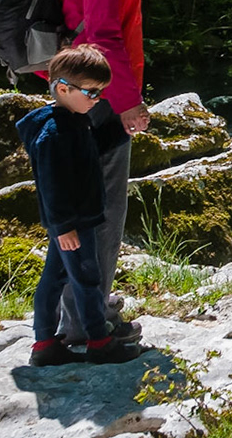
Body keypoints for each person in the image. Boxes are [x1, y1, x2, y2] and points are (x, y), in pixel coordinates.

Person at [45, 0, 151, 345]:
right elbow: (104, 33)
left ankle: (86, 306)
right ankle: (87, 325)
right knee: (102, 209)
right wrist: (128, 100)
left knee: (80, 202)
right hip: (99, 92)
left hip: (73, 85)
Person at [16, 45, 142, 366]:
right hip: (73, 223)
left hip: (75, 221)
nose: (97, 99)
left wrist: (122, 130)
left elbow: (93, 149)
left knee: (53, 280)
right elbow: (50, 186)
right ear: (62, 88)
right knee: (87, 279)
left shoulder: (74, 120)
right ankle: (99, 342)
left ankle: (44, 344)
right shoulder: (53, 134)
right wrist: (62, 226)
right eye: (90, 92)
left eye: (100, 92)